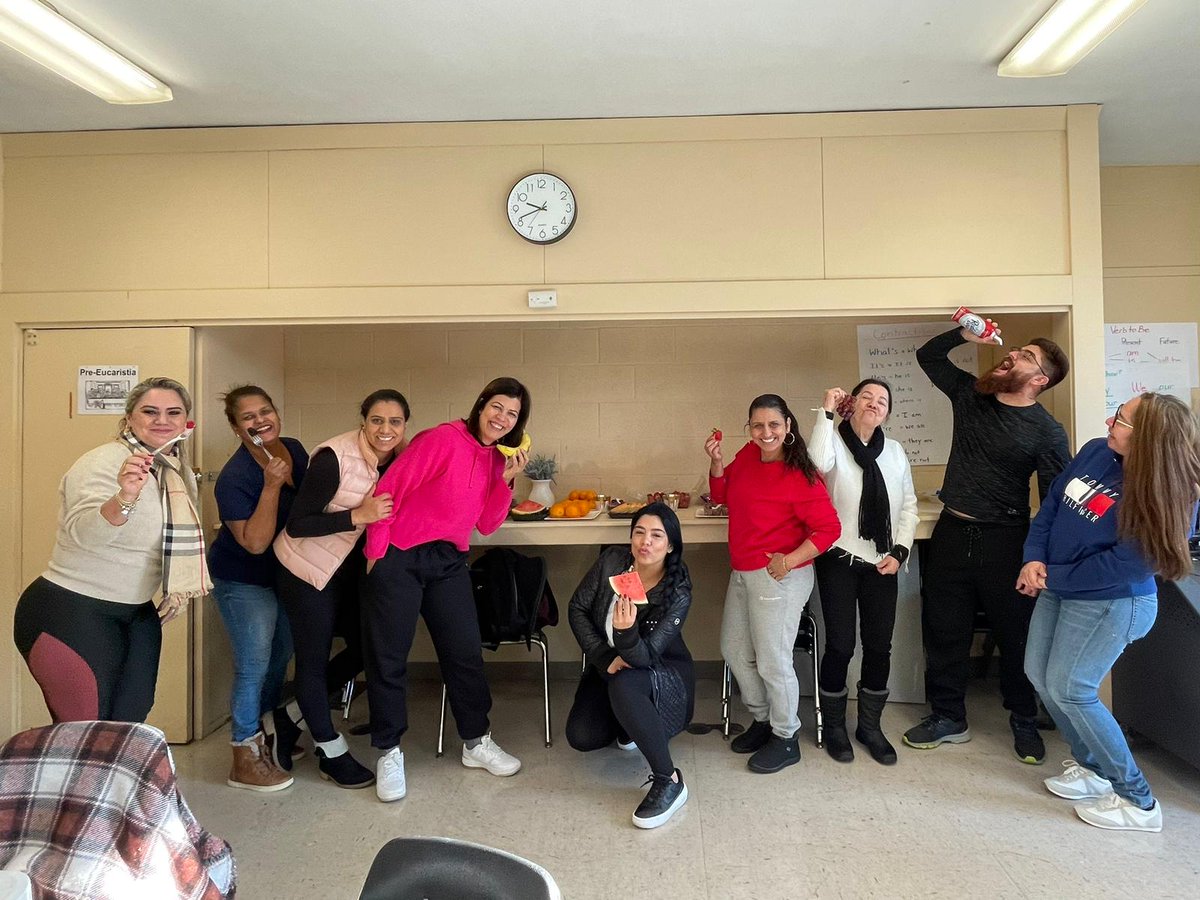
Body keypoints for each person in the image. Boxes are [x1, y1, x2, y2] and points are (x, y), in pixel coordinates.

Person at [1020, 393, 1200, 832]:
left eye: (1120, 418)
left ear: (1149, 438)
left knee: (1074, 689)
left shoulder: (1172, 492)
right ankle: (1093, 769)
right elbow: (1053, 505)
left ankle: (1138, 800)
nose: (1108, 421)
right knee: (1040, 675)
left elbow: (1126, 564)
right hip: (1058, 585)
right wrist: (1033, 557)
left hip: (1112, 600)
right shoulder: (1096, 452)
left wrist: (1052, 576)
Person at [905, 320, 1070, 765]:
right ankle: (948, 717)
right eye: (1018, 349)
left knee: (1016, 636)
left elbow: (1055, 504)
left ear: (1040, 380)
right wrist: (965, 335)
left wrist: (1040, 559)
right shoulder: (971, 395)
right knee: (944, 630)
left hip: (1006, 541)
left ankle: (1023, 718)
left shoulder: (1047, 432)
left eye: (1027, 357)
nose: (1013, 354)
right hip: (952, 532)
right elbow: (928, 356)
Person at [363, 377, 531, 803]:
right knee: (389, 656)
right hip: (400, 555)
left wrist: (506, 480)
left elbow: (486, 525)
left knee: (465, 652)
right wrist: (376, 551)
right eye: (497, 407)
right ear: (481, 405)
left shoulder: (496, 459)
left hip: (449, 560)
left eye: (512, 414)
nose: (502, 418)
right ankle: (389, 751)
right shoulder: (441, 439)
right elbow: (389, 489)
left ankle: (476, 741)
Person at [13, 376, 207, 724]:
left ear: (185, 422)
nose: (162, 420)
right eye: (150, 411)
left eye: (173, 412)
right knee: (85, 730)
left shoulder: (174, 472)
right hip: (72, 609)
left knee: (128, 724)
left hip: (137, 612)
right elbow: (85, 534)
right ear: (129, 418)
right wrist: (125, 497)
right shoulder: (104, 462)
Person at [273, 389, 411, 789]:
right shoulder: (334, 458)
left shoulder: (399, 459)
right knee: (313, 662)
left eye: (395, 422)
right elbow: (298, 524)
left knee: (369, 647)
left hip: (346, 574)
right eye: (377, 420)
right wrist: (358, 515)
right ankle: (330, 751)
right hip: (305, 570)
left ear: (405, 425)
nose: (385, 430)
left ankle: (288, 717)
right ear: (363, 421)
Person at [705, 393, 841, 774]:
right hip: (743, 571)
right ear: (749, 428)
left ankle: (786, 736)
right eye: (758, 425)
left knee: (773, 661)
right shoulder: (749, 455)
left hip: (780, 577)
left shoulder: (800, 473)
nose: (766, 433)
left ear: (788, 426)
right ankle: (764, 720)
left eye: (774, 425)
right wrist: (716, 462)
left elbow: (829, 529)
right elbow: (721, 495)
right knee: (734, 649)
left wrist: (790, 560)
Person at [809, 379, 919, 765]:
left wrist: (900, 551)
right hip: (838, 559)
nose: (874, 404)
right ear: (852, 404)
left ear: (887, 413)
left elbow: (908, 506)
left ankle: (870, 727)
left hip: (882, 563)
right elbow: (817, 463)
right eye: (866, 397)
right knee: (840, 645)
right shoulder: (833, 442)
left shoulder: (895, 452)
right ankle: (835, 726)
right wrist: (826, 411)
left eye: (882, 401)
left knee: (878, 646)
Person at [566, 503, 695, 829]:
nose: (645, 542)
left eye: (656, 535)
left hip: (658, 671)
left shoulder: (678, 589)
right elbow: (577, 608)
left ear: (670, 545)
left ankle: (669, 780)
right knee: (582, 736)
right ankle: (630, 723)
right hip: (609, 665)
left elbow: (646, 656)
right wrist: (604, 657)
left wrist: (625, 634)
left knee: (626, 683)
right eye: (639, 532)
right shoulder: (612, 560)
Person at [208, 385, 308, 792]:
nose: (260, 421)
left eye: (265, 411)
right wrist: (270, 486)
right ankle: (244, 755)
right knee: (253, 663)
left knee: (280, 655)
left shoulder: (293, 449)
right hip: (242, 579)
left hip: (284, 574)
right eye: (248, 417)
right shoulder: (234, 479)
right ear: (236, 428)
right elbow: (254, 543)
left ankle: (265, 735)